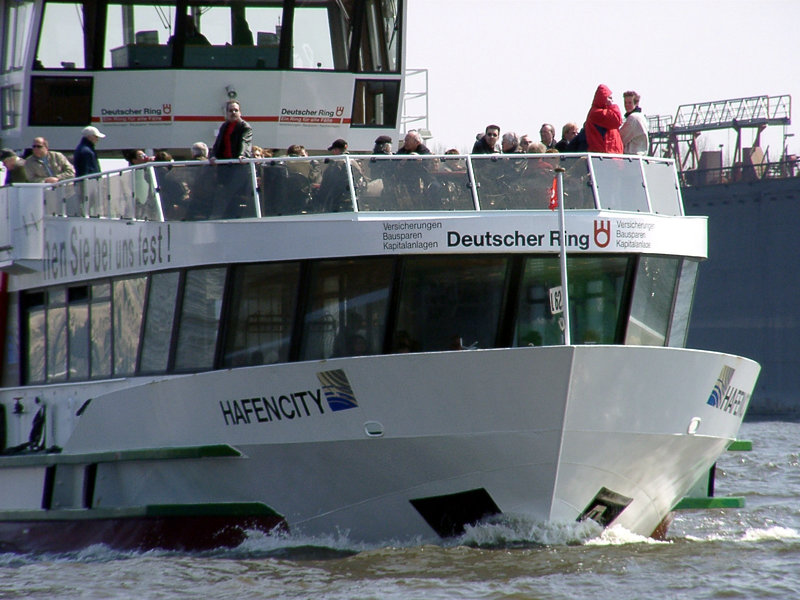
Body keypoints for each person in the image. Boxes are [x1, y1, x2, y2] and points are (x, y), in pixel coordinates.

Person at [585, 84, 623, 154]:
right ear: (603, 98)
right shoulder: (596, 113)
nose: (612, 100)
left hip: (610, 157)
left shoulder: (604, 112)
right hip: (604, 157)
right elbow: (617, 120)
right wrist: (612, 106)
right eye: (609, 98)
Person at [620, 90, 649, 155]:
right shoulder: (642, 117)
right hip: (641, 156)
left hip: (631, 157)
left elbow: (621, 138)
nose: (627, 105)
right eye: (625, 103)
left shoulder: (633, 118)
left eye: (630, 103)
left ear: (636, 103)